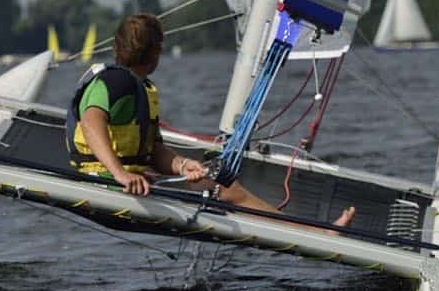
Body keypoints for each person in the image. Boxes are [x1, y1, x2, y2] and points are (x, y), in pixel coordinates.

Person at [66, 12, 355, 228]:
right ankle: (315, 233)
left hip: (132, 178)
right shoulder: (115, 82)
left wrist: (182, 165)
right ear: (155, 52)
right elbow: (91, 123)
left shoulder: (138, 87)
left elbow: (153, 151)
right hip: (105, 181)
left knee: (213, 184)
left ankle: (313, 231)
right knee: (226, 191)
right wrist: (120, 174)